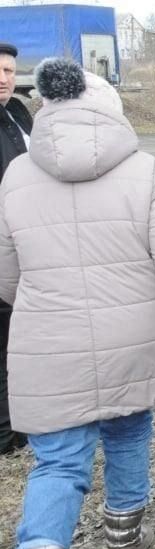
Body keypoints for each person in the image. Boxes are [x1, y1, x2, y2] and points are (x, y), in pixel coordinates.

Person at [0, 59, 155, 549]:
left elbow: (6, 275)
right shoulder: (144, 169)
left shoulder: (15, 175)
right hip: (135, 340)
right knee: (128, 435)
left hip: (49, 347)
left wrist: (45, 302)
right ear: (109, 110)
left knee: (57, 460)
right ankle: (125, 542)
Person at [0, 42, 32, 457]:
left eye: (8, 70)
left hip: (22, 240)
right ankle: (6, 433)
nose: (3, 78)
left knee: (15, 337)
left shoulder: (18, 113)